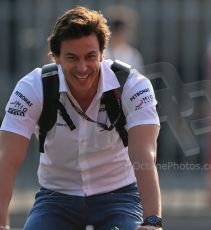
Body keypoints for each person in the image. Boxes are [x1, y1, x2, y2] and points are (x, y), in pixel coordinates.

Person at [0, 6, 162, 230]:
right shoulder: (32, 87)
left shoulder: (132, 85)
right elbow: (7, 159)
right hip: (56, 198)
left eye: (90, 56)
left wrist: (153, 221)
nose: (83, 67)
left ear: (103, 54)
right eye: (72, 58)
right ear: (55, 57)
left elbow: (145, 153)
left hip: (120, 196)